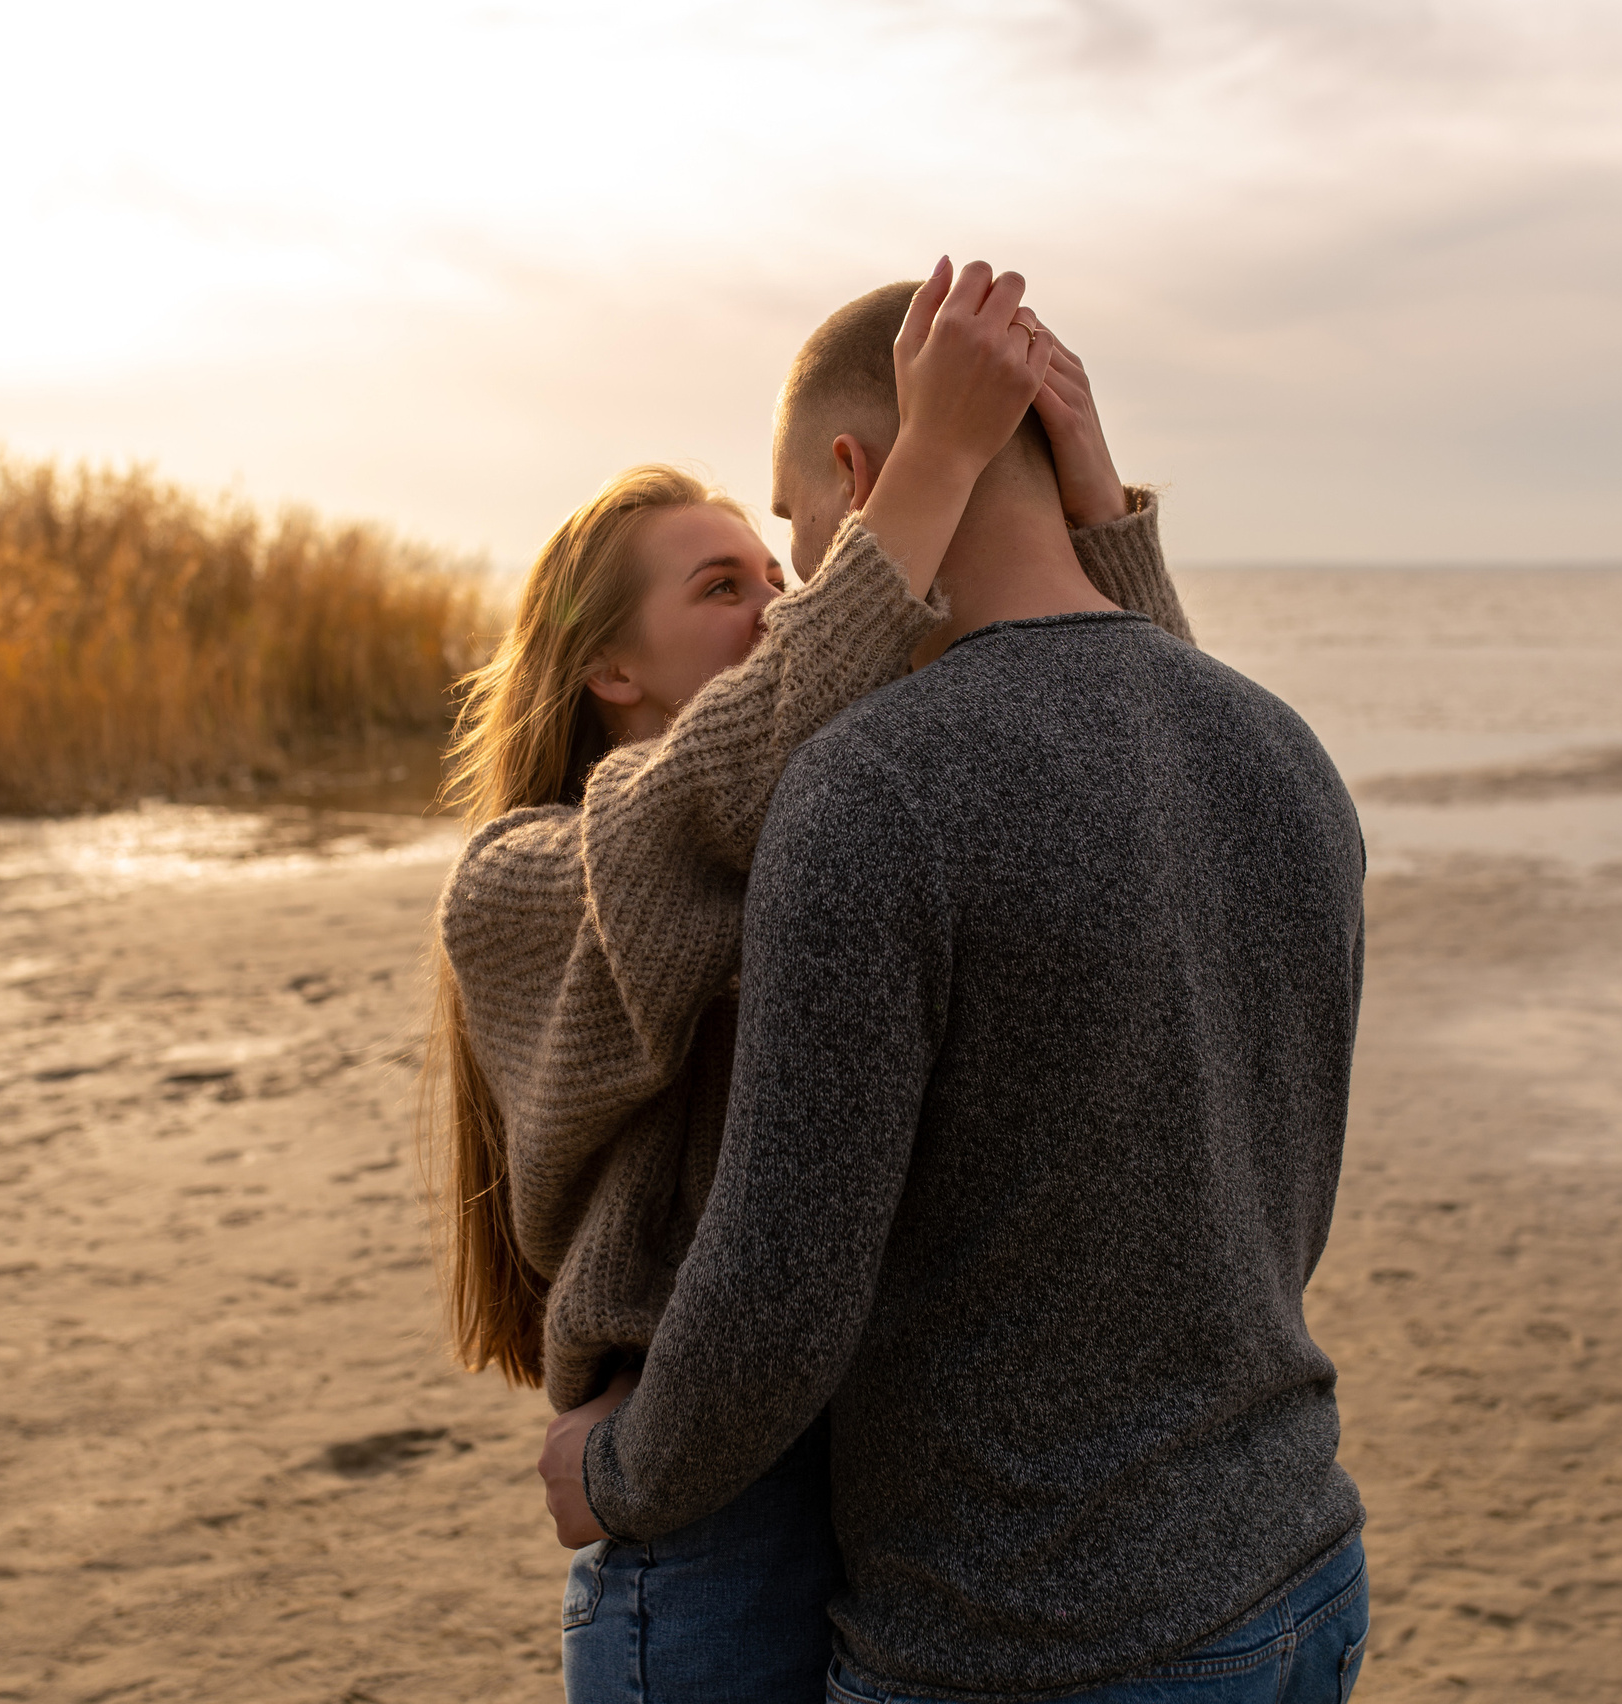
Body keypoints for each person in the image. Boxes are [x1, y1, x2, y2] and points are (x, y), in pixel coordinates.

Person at [536, 279, 1371, 1704]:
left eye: (795, 529)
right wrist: (1098, 510)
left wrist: (616, 1471)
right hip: (1299, 1566)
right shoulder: (1278, 751)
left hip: (1033, 1632)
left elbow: (782, 1288)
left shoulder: (873, 793)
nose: (803, 595)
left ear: (856, 477)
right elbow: (1124, 755)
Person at [430, 259, 1191, 1701]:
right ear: (607, 671)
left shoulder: (822, 811)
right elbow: (702, 796)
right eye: (727, 586)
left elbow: (1144, 776)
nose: (784, 608)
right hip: (705, 1506)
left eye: (783, 575)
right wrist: (936, 460)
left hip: (887, 1468)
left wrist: (1093, 509)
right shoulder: (527, 879)